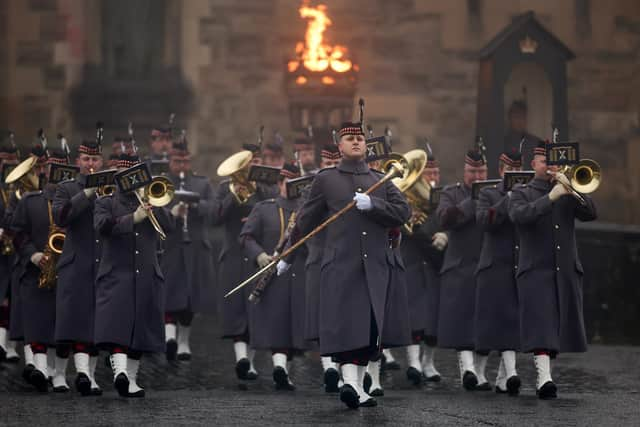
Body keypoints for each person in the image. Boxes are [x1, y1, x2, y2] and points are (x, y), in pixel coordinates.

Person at [278, 121, 410, 409]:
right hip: (340, 265)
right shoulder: (326, 180)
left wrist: (374, 206)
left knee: (369, 329)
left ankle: (359, 389)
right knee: (347, 326)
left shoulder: (381, 179)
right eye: (349, 139)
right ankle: (350, 383)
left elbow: (403, 212)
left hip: (374, 266)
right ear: (339, 146)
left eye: (360, 139)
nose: (355, 142)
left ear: (366, 145)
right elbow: (305, 222)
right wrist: (287, 256)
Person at [508, 141, 597, 399]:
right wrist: (551, 197)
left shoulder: (568, 190)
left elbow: (591, 213)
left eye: (555, 162)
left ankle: (546, 374)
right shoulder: (521, 191)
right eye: (545, 162)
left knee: (556, 325)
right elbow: (520, 216)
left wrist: (573, 190)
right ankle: (544, 378)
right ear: (534, 164)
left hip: (563, 270)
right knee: (541, 325)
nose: (550, 166)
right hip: (536, 269)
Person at [93, 152, 174, 398]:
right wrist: (133, 218)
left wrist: (153, 205)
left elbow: (168, 227)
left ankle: (131, 379)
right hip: (117, 272)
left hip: (146, 274)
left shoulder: (150, 199)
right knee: (118, 324)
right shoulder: (106, 202)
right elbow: (102, 226)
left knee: (141, 329)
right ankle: (119, 373)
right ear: (118, 177)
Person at [239, 163, 309, 390]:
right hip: (273, 276)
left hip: (299, 274)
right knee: (278, 322)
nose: (290, 188)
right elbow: (246, 237)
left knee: (294, 324)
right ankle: (280, 368)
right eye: (286, 183)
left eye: (295, 184)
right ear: (279, 183)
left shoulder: (307, 211)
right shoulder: (263, 208)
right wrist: (258, 255)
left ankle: (284, 371)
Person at [214, 149, 277, 380]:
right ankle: (241, 358)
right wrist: (233, 196)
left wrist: (257, 189)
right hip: (232, 253)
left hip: (257, 253)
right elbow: (215, 216)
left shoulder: (266, 188)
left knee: (255, 307)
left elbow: (273, 207)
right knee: (235, 309)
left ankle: (248, 363)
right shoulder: (224, 187)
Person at [11, 147, 70, 392]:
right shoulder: (30, 201)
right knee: (37, 322)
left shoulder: (74, 203)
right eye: (51, 168)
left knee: (64, 324)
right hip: (37, 271)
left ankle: (60, 375)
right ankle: (42, 370)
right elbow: (18, 234)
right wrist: (33, 255)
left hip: (68, 271)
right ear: (44, 170)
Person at [52, 139, 105, 396]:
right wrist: (86, 194)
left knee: (96, 323)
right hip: (75, 263)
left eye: (95, 160)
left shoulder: (110, 188)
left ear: (102, 162)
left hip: (102, 264)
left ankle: (89, 376)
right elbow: (61, 217)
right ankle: (60, 374)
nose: (91, 164)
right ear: (78, 162)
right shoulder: (66, 188)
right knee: (69, 322)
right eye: (86, 159)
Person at [436, 147, 487, 391]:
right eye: (472, 171)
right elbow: (445, 219)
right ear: (464, 171)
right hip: (459, 265)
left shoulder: (495, 192)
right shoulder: (451, 193)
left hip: (485, 263)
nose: (476, 176)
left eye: (481, 171)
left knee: (484, 321)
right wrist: (473, 200)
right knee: (462, 321)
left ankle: (481, 373)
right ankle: (467, 370)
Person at [474, 151, 524, 395]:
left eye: (518, 169)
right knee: (490, 324)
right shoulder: (488, 193)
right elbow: (484, 220)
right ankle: (481, 372)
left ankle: (507, 376)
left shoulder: (527, 194)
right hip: (494, 265)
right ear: (501, 170)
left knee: (512, 321)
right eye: (509, 169)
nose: (513, 174)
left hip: (518, 264)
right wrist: (507, 199)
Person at [162, 138, 216, 361]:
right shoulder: (163, 182)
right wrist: (172, 212)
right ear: (170, 161)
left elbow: (214, 209)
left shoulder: (201, 184)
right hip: (171, 245)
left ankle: (184, 341)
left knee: (190, 294)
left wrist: (195, 205)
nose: (182, 166)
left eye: (185, 162)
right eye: (177, 161)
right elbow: (154, 209)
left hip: (194, 246)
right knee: (169, 290)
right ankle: (169, 338)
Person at [401, 155, 447, 384]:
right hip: (412, 263)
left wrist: (445, 235)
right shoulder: (407, 199)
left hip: (434, 265)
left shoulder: (444, 199)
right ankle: (414, 363)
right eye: (428, 174)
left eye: (436, 173)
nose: (432, 178)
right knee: (413, 316)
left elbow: (451, 224)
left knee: (433, 319)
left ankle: (428, 362)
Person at [303, 143, 342, 392]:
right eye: (326, 165)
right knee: (323, 318)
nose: (330, 170)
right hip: (319, 257)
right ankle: (329, 368)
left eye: (334, 165)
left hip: (344, 259)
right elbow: (304, 222)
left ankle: (344, 370)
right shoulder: (312, 188)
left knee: (343, 317)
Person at [0, 142, 21, 363]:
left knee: (14, 297)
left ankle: (12, 346)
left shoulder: (21, 186)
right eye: (5, 164)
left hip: (16, 247)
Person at [503, 100, 542, 166]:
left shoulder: (536, 143)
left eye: (522, 117)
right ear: (510, 118)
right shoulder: (502, 143)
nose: (520, 121)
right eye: (516, 117)